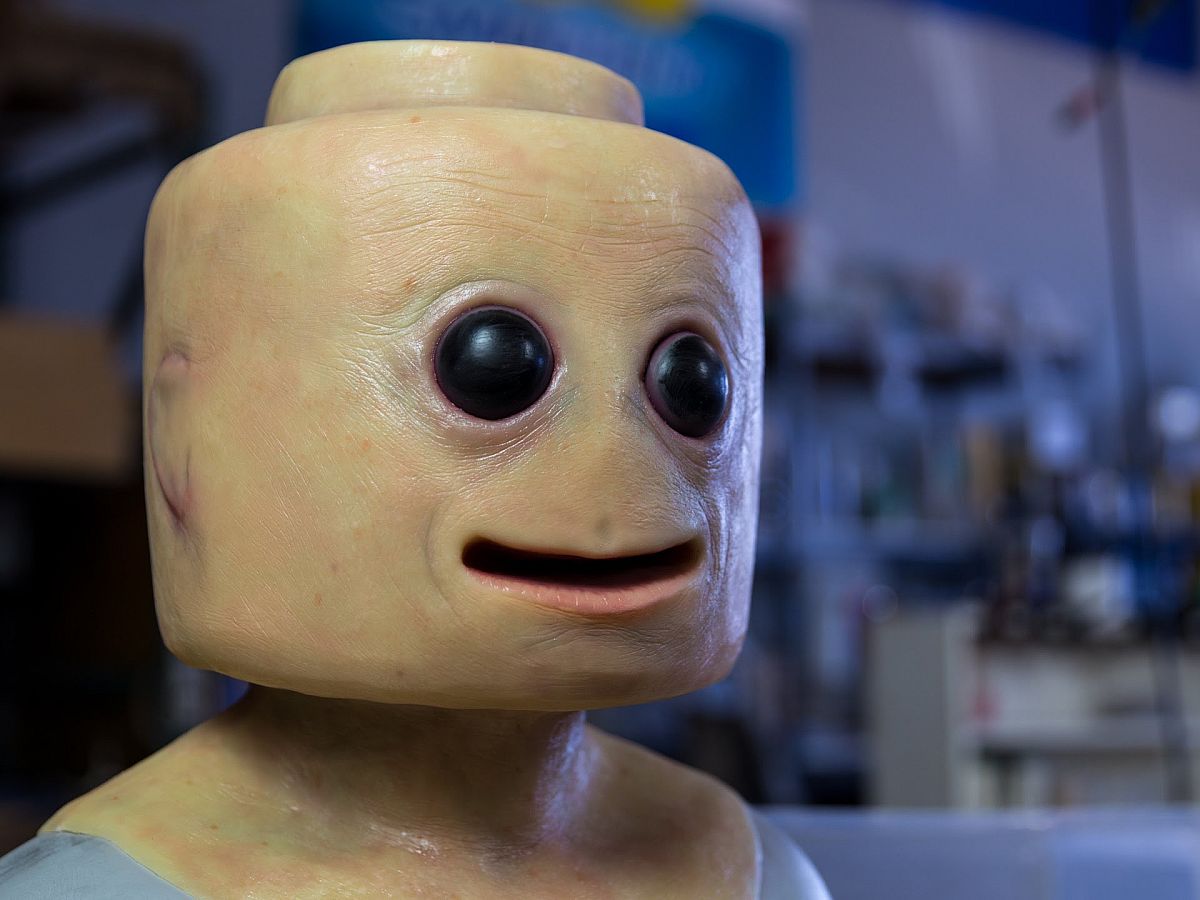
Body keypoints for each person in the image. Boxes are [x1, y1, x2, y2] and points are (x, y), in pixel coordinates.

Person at [0, 40, 829, 899]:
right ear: (184, 443)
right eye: (491, 366)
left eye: (691, 384)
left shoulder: (760, 873)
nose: (616, 460)